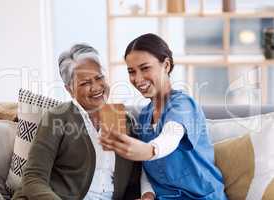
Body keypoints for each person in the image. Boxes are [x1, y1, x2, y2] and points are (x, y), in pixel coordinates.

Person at [100, 33, 228, 200]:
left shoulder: (183, 105)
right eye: (132, 71)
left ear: (166, 65)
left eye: (145, 68)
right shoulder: (145, 115)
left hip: (201, 196)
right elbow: (148, 168)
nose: (137, 79)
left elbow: (171, 136)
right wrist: (147, 195)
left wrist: (149, 150)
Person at [12, 44, 140, 200]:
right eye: (85, 83)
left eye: (99, 77)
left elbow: (132, 184)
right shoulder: (57, 117)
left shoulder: (124, 121)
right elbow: (34, 177)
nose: (96, 87)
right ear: (69, 89)